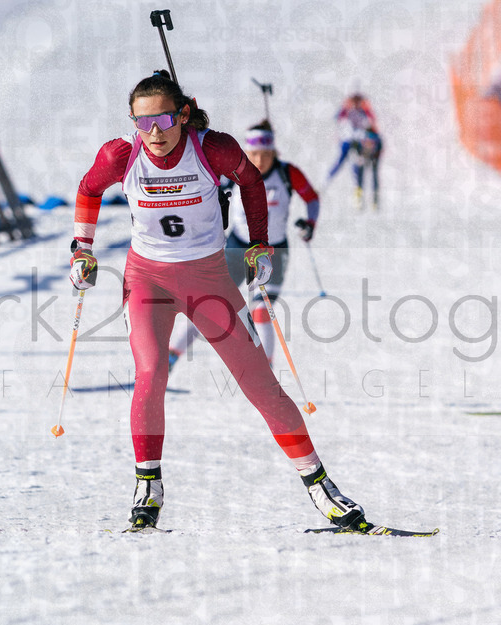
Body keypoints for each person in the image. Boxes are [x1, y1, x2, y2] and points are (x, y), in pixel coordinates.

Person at [69, 70, 362, 530]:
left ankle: (321, 487)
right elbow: (88, 189)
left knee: (259, 382)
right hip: (147, 279)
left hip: (209, 279)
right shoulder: (121, 154)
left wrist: (260, 243)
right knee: (151, 371)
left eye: (164, 120)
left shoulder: (212, 148)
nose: (154, 134)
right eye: (142, 123)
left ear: (182, 115)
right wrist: (82, 249)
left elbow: (251, 183)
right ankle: (148, 485)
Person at [168, 119, 320, 367]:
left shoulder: (287, 173)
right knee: (209, 304)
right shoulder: (236, 169)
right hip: (238, 248)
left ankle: (266, 369)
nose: (259, 160)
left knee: (260, 311)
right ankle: (172, 355)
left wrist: (310, 223)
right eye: (253, 154)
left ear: (273, 152)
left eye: (265, 154)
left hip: (273, 252)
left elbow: (312, 198)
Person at [327, 93, 376, 186]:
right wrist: (345, 106)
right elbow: (338, 118)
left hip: (357, 141)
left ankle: (358, 186)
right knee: (341, 162)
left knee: (357, 162)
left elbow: (371, 120)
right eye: (355, 101)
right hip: (348, 141)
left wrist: (366, 108)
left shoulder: (363, 112)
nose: (357, 104)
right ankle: (327, 180)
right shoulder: (348, 111)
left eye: (359, 102)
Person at [351, 126, 382, 210]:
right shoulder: (361, 140)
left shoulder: (377, 140)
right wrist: (359, 157)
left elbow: (380, 148)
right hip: (363, 155)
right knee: (360, 176)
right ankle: (359, 199)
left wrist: (376, 158)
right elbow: (355, 147)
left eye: (371, 142)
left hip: (373, 156)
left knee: (374, 176)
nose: (369, 143)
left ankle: (375, 200)